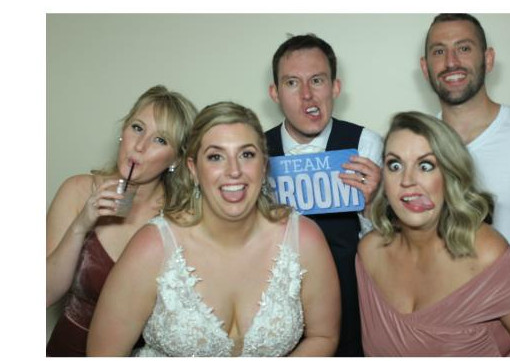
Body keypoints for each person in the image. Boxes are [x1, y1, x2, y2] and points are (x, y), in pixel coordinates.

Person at [87, 101, 341, 356]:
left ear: (264, 166)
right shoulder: (153, 247)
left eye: (247, 154)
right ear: (193, 169)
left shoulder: (304, 239)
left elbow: (323, 335)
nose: (233, 171)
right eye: (216, 157)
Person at [357, 111, 510, 356]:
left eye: (425, 165)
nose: (407, 180)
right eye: (395, 165)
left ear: (450, 175)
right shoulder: (370, 253)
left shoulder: (488, 256)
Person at [421, 14, 510, 320]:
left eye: (464, 48)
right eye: (439, 51)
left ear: (488, 59)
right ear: (425, 67)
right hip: (441, 339)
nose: (451, 62)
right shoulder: (413, 149)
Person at [46, 84, 197, 356]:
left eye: (160, 140)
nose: (139, 146)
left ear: (175, 159)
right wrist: (81, 225)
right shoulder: (77, 191)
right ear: (122, 131)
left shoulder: (182, 218)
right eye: (137, 128)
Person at [266, 34, 383, 357]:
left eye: (317, 80)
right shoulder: (254, 152)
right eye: (292, 83)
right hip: (273, 313)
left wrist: (374, 205)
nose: (307, 95)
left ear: (335, 87)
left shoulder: (366, 145)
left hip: (353, 309)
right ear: (274, 93)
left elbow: (395, 250)